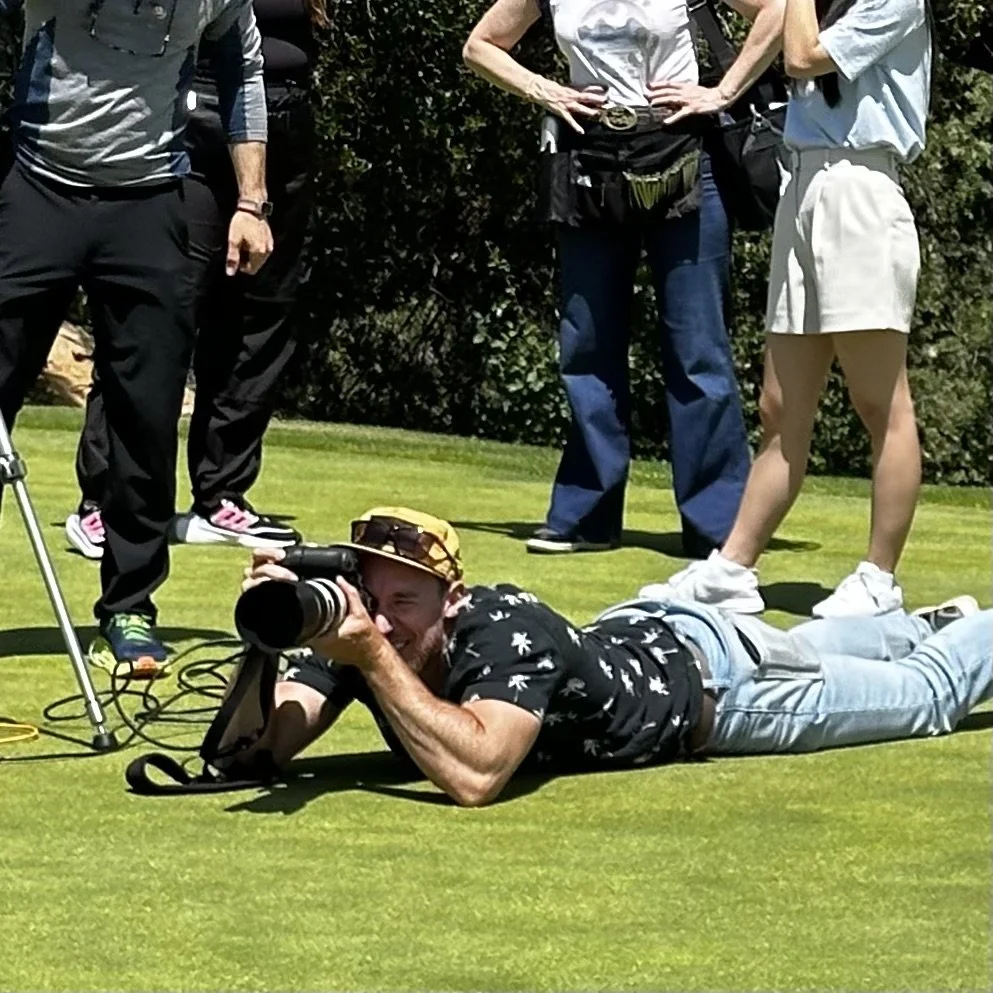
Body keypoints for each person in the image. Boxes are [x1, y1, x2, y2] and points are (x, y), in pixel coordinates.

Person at [238, 505, 990, 807]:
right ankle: (919, 624)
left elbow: (476, 774)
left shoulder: (501, 626)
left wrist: (369, 651)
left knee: (924, 697)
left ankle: (952, 636)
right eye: (374, 599)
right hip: (650, 622)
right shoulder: (358, 629)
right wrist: (263, 644)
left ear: (452, 600)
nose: (385, 621)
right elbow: (252, 752)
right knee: (830, 645)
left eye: (406, 604)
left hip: (718, 684)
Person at [0, 0, 272, 673]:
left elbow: (243, 77)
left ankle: (129, 608)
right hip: (37, 186)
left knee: (145, 418)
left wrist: (250, 202)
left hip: (149, 202)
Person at [461, 0, 784, 560]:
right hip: (588, 161)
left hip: (683, 155)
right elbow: (480, 46)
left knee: (697, 348)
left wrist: (722, 92)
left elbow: (780, 11)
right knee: (586, 344)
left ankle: (717, 525)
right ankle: (585, 516)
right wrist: (549, 93)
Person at [652, 0, 932, 616]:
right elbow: (770, 14)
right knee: (780, 406)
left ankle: (879, 580)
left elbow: (803, 56)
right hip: (801, 190)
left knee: (879, 403)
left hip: (860, 189)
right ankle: (731, 569)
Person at [65, 0, 329, 561]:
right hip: (189, 120)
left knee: (260, 315)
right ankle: (107, 498)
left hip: (285, 121)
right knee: (157, 311)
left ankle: (221, 495)